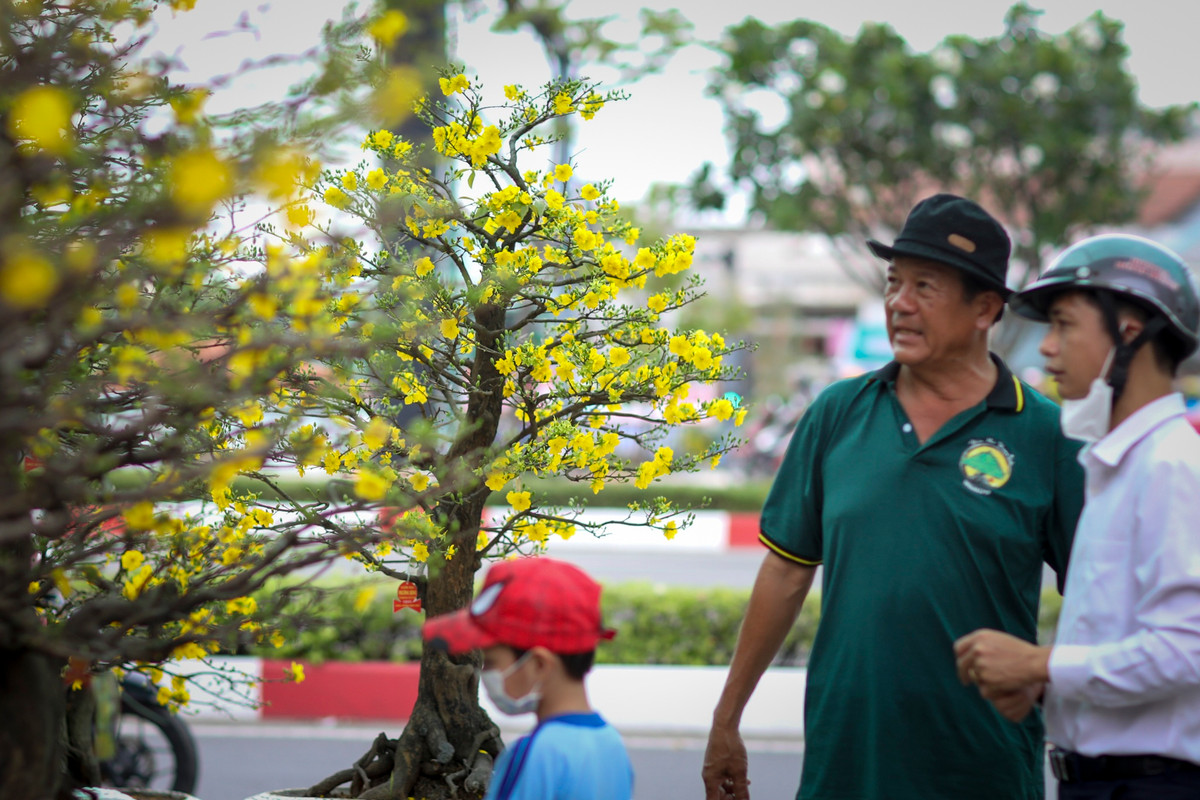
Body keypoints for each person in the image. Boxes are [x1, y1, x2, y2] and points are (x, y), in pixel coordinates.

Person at [702, 193, 1084, 800]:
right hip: (845, 765)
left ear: (986, 308)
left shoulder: (1044, 434)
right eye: (893, 282)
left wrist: (1047, 672)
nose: (899, 304)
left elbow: (1101, 595)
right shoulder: (837, 413)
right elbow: (784, 574)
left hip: (981, 771)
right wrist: (726, 720)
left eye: (925, 287)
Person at [955, 234, 1200, 799]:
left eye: (1064, 325)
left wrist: (1043, 666)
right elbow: (1126, 640)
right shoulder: (1116, 465)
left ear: (1129, 332)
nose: (1046, 349)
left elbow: (1185, 649)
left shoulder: (1170, 467)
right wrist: (1046, 685)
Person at [423, 556, 633, 800]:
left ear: (539, 664)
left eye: (490, 662)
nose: (483, 673)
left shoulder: (536, 755)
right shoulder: (611, 745)